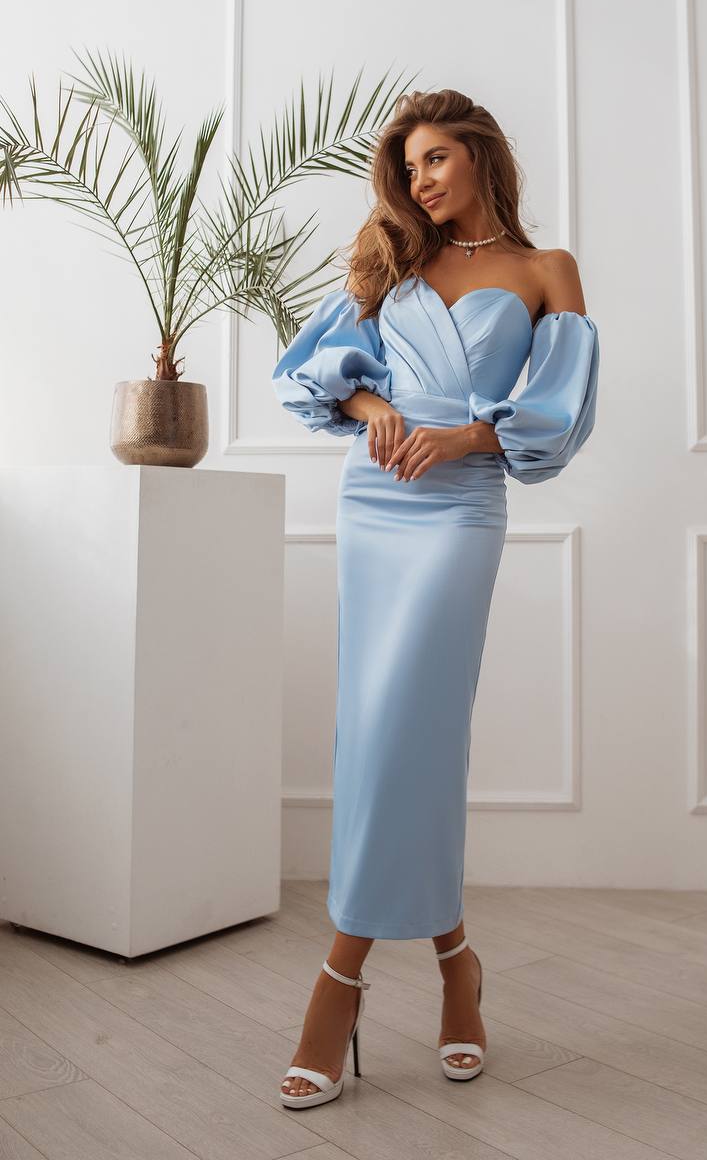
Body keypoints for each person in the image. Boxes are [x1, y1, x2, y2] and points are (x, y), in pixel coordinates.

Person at [271, 89, 600, 1108]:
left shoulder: (547, 273)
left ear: (480, 155)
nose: (418, 181)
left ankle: (339, 977)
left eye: (435, 160)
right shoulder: (393, 257)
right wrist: (371, 408)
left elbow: (559, 414)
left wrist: (460, 435)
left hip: (460, 507)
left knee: (415, 724)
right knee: (378, 729)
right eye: (408, 166)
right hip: (377, 500)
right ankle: (454, 961)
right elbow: (312, 372)